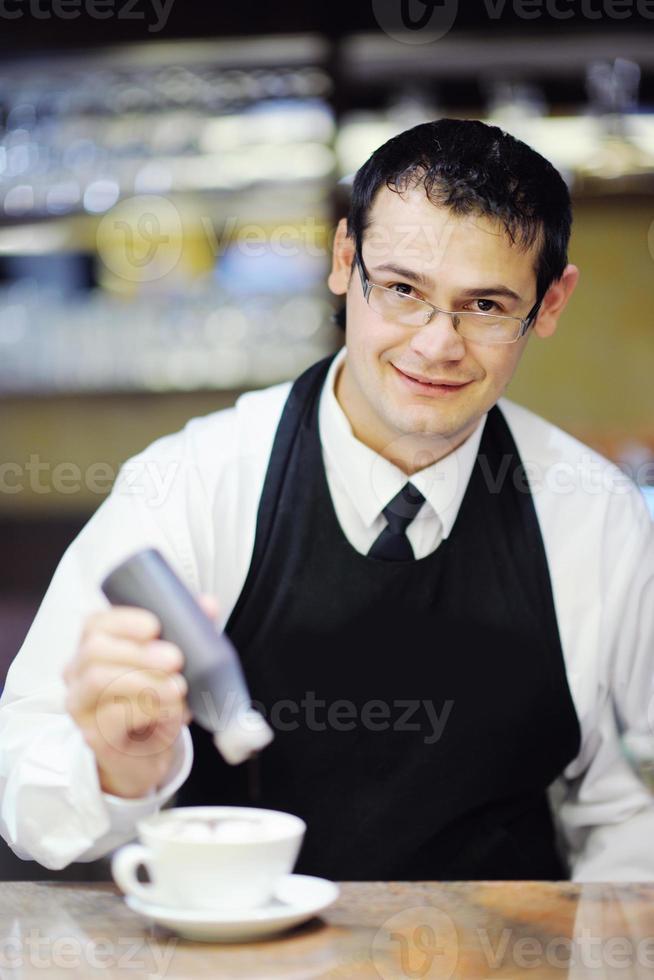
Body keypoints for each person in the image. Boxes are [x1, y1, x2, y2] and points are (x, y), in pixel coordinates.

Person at [1, 118, 652, 880]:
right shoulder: (192, 483)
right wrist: (116, 767)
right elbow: (24, 799)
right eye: (403, 289)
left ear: (548, 305)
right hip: (238, 958)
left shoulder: (595, 515)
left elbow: (626, 812)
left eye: (485, 307)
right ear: (345, 261)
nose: (436, 344)